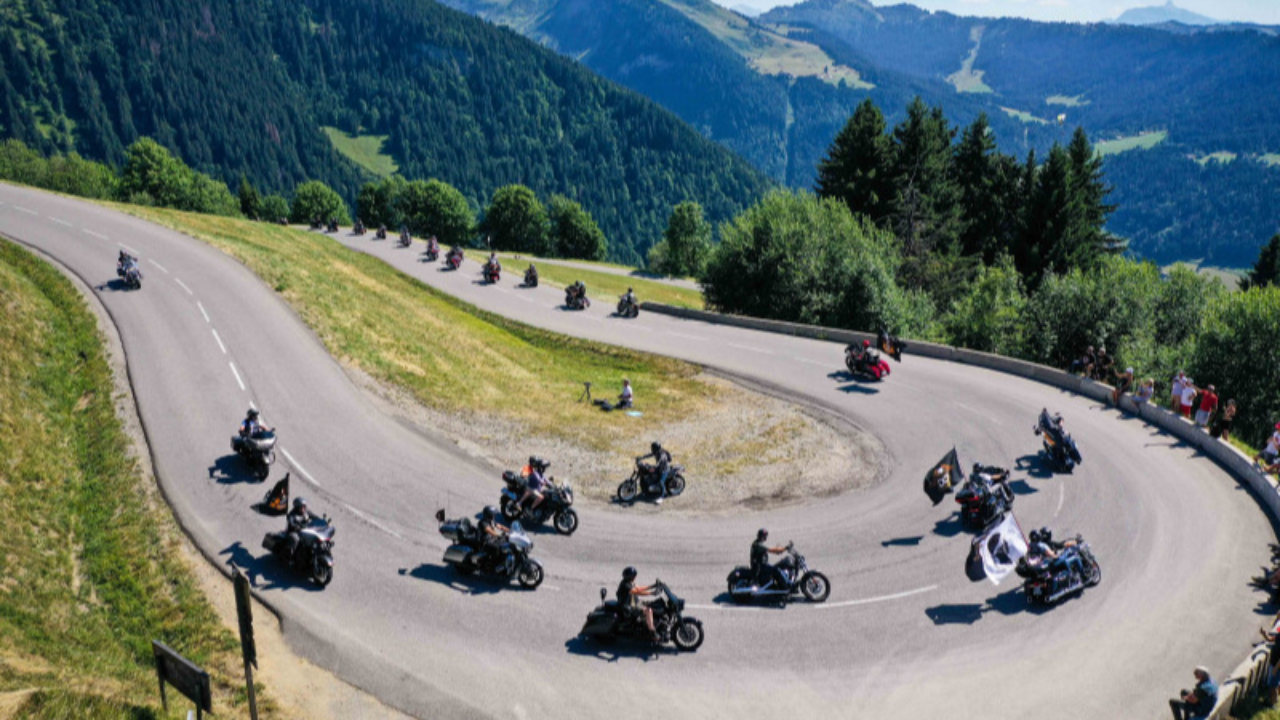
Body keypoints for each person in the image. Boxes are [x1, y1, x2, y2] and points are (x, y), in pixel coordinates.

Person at [617, 566, 658, 641]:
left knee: (653, 604)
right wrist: (651, 593)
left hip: (635, 602)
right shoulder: (625, 585)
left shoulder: (629, 582)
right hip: (629, 606)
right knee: (648, 611)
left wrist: (652, 586)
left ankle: (649, 623)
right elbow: (636, 592)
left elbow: (639, 588)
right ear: (630, 577)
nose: (635, 577)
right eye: (634, 576)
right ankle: (652, 631)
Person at [477, 506, 512, 571]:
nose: (494, 516)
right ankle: (495, 565)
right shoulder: (483, 522)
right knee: (497, 548)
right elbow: (488, 530)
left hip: (491, 539)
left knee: (506, 542)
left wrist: (510, 530)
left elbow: (500, 526)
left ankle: (504, 560)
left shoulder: (491, 521)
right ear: (489, 515)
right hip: (485, 541)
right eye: (493, 515)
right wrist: (498, 535)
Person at [284, 497, 314, 561]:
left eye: (304, 506)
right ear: (297, 507)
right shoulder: (292, 514)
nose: (303, 508)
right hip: (294, 532)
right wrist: (297, 527)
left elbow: (315, 517)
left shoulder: (307, 512)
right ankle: (290, 558)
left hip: (305, 530)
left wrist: (323, 522)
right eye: (301, 507)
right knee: (295, 539)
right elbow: (291, 523)